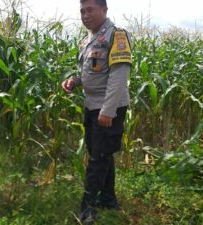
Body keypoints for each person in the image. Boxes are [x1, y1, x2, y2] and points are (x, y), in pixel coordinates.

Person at [61, 0, 132, 223]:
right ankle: (108, 199)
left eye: (90, 9)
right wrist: (75, 81)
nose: (85, 15)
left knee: (98, 158)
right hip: (92, 106)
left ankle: (87, 208)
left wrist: (108, 111)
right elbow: (94, 73)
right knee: (102, 153)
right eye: (82, 11)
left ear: (104, 10)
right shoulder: (87, 41)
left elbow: (119, 77)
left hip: (108, 107)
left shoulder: (117, 36)